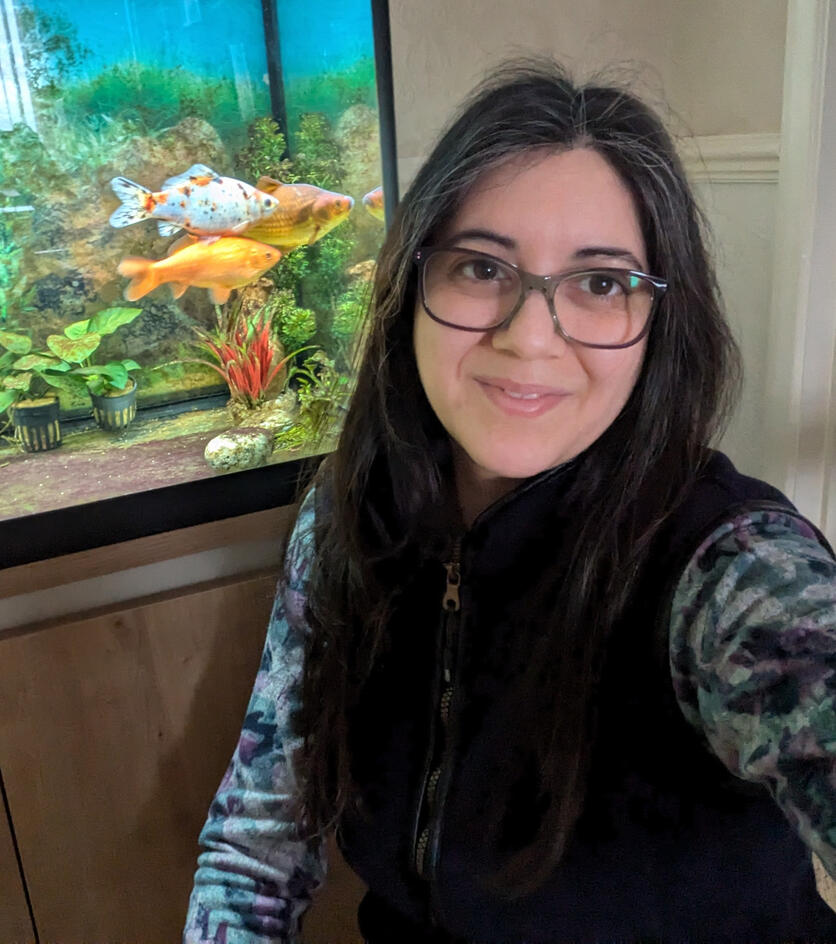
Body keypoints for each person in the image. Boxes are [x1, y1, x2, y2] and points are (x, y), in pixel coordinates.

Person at [183, 60, 836, 943]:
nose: (530, 338)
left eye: (601, 283)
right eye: (481, 267)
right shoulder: (346, 522)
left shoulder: (733, 569)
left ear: (659, 323)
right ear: (411, 287)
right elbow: (254, 851)